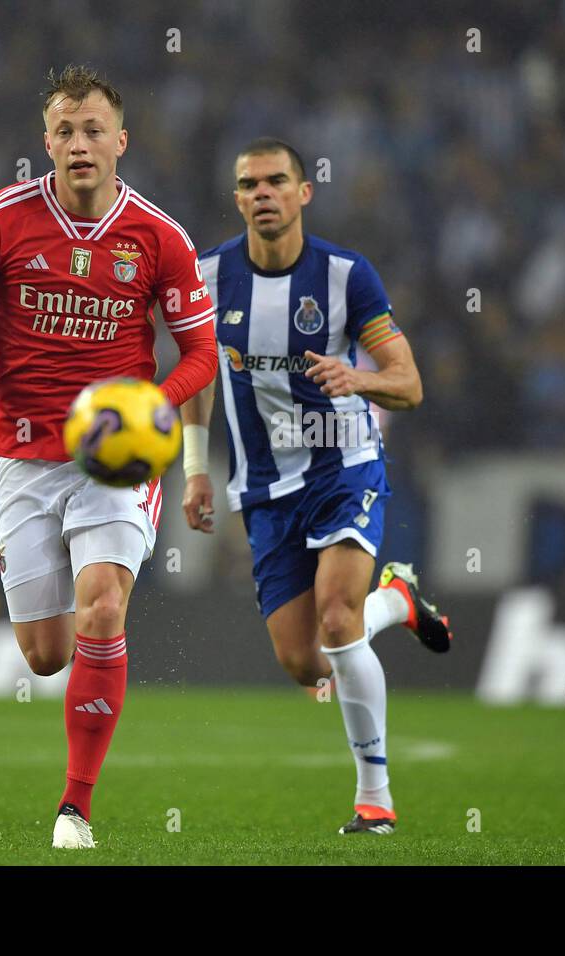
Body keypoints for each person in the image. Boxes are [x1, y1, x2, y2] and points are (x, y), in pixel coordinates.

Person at [0, 65, 217, 848]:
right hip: (18, 455)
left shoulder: (159, 236)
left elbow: (203, 350)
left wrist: (155, 403)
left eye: (93, 131)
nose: (80, 144)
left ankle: (74, 806)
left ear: (121, 140)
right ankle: (71, 726)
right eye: (64, 132)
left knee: (103, 607)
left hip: (115, 461)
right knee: (46, 655)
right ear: (45, 143)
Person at [180, 138, 451, 836]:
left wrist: (357, 377)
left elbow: (409, 383)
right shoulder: (206, 275)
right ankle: (396, 601)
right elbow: (196, 374)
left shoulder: (345, 276)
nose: (262, 193)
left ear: (304, 193)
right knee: (305, 662)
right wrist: (194, 468)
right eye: (249, 184)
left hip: (343, 466)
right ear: (236, 198)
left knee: (336, 621)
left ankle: (375, 799)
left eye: (277, 181)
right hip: (265, 486)